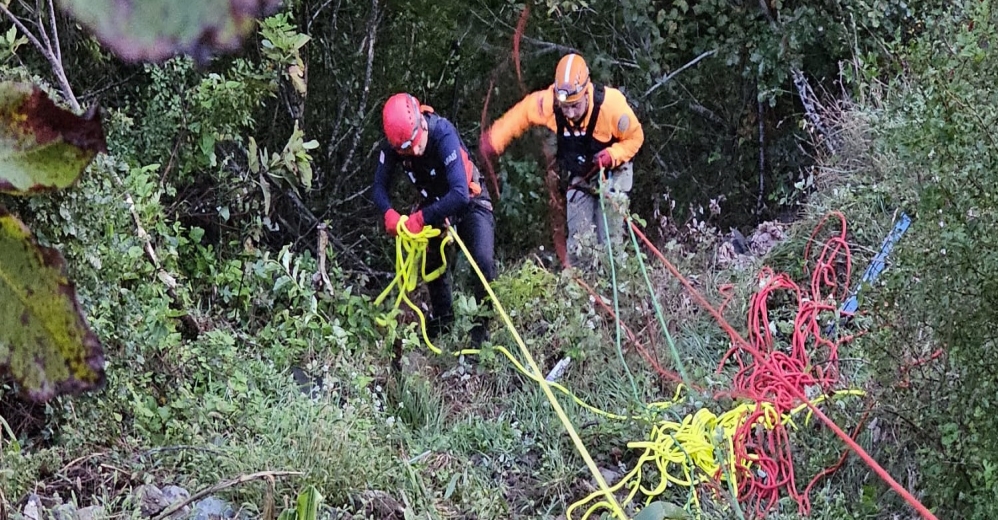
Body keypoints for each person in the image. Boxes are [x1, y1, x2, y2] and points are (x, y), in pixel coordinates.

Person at [479, 53, 644, 266]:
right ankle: (583, 292)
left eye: (575, 105)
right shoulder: (550, 104)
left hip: (614, 172)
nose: (570, 112)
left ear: (586, 92)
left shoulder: (611, 107)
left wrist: (613, 155)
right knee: (578, 245)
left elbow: (636, 137)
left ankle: (618, 288)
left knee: (609, 242)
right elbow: (523, 112)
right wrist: (494, 139)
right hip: (582, 173)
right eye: (565, 106)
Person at [373, 92, 496, 347]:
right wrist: (389, 214)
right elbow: (379, 188)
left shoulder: (442, 134)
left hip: (469, 199)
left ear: (421, 123)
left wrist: (421, 218)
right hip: (435, 205)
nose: (415, 151)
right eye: (406, 150)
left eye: (417, 142)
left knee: (482, 260)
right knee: (432, 268)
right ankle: (442, 321)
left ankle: (482, 329)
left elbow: (460, 194)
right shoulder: (396, 146)